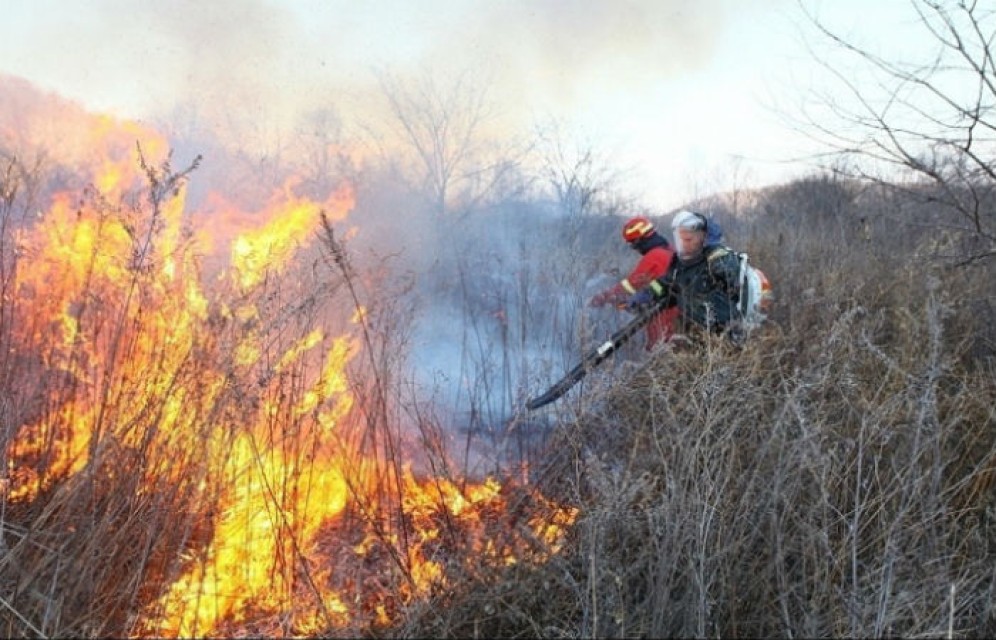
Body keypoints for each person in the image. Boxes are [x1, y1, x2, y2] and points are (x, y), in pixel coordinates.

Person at [630, 210, 747, 344]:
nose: (684, 244)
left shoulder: (718, 258)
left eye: (688, 239)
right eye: (680, 239)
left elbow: (733, 281)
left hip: (724, 335)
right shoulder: (681, 264)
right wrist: (647, 294)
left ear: (702, 237)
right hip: (696, 334)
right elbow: (666, 283)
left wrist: (721, 271)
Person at [589, 216, 680, 350]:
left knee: (658, 350)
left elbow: (631, 284)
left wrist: (604, 297)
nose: (634, 248)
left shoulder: (654, 256)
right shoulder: (670, 250)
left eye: (633, 244)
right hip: (677, 310)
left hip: (664, 313)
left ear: (639, 240)